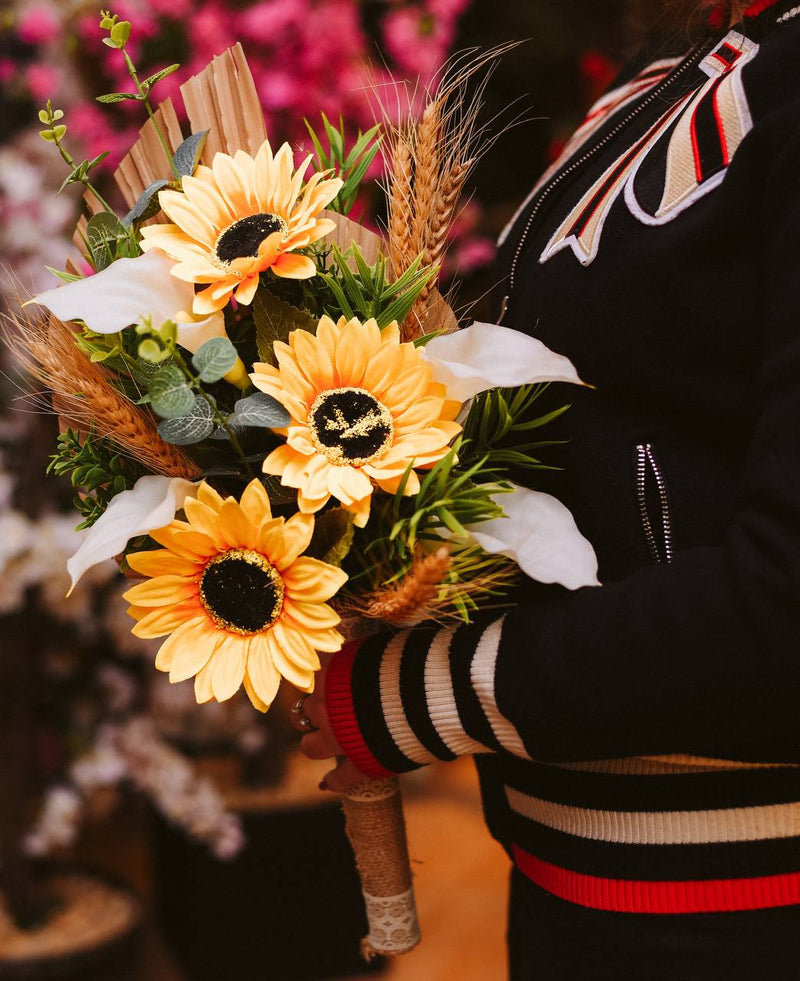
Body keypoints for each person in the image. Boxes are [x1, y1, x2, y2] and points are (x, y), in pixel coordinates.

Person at [295, 0, 800, 975]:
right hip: (575, 889)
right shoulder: (664, 69)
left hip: (743, 909)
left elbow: (784, 590)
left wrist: (416, 692)